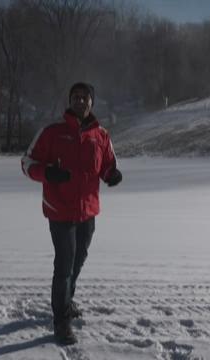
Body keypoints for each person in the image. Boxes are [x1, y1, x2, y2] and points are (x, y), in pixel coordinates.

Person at [21, 82, 123, 345]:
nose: (80, 101)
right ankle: (61, 321)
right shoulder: (52, 132)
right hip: (60, 210)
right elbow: (27, 162)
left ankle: (66, 299)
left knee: (78, 261)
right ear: (70, 101)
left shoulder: (101, 135)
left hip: (88, 211)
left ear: (92, 103)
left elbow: (108, 165)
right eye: (76, 97)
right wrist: (48, 173)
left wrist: (112, 174)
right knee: (65, 265)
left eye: (85, 98)